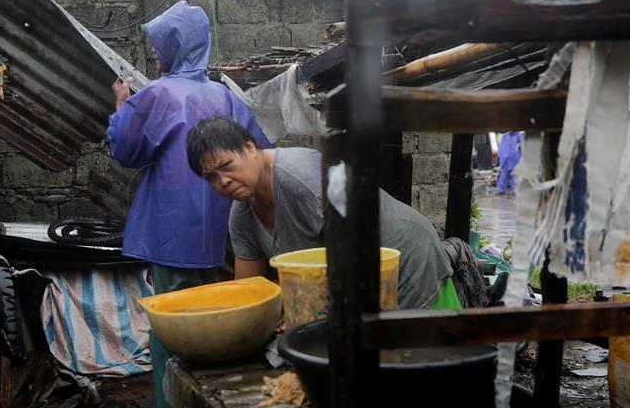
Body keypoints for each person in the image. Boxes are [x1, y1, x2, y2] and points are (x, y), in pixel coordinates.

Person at [106, 1, 269, 408]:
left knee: (171, 326)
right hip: (219, 230)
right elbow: (261, 148)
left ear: (175, 46)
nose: (156, 54)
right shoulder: (224, 95)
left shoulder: (158, 94)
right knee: (212, 323)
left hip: (169, 229)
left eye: (160, 46)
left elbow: (125, 149)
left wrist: (122, 104)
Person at [186, 117, 457, 310]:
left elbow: (355, 249)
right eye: (211, 177)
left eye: (227, 166)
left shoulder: (301, 179)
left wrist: (306, 309)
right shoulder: (242, 215)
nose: (222, 181)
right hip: (352, 279)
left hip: (403, 256)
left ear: (249, 148)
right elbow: (249, 292)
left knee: (415, 368)